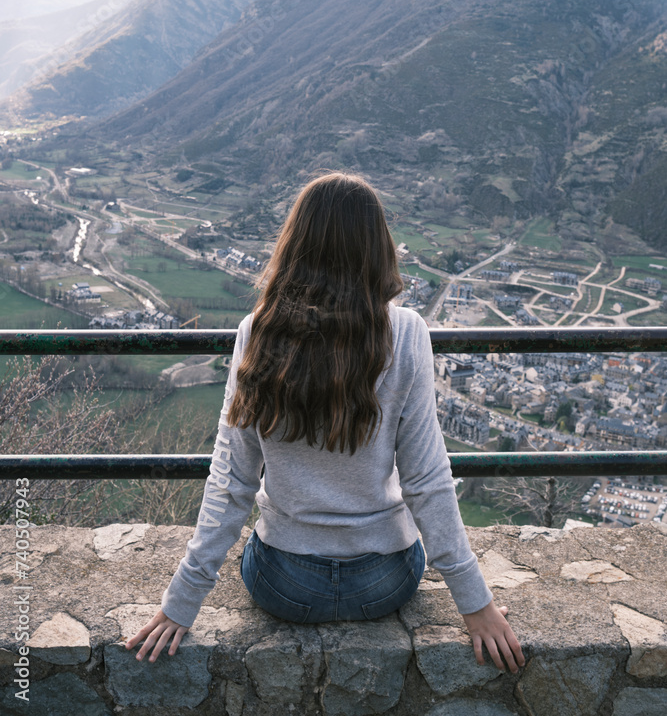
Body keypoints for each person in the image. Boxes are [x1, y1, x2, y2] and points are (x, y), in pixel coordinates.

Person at [125, 172, 524, 673]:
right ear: (376, 246)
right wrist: (475, 604)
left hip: (283, 583)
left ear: (295, 243)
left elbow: (232, 479)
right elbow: (426, 480)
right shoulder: (405, 333)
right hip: (385, 580)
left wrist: (181, 601)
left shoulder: (258, 332)